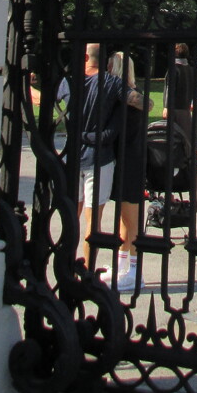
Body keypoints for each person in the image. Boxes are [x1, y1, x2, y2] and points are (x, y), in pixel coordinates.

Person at [76, 43, 125, 273]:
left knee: (70, 217)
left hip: (73, 156)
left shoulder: (71, 81)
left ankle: (65, 266)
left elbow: (42, 98)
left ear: (85, 56)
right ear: (107, 61)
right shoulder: (112, 83)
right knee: (92, 222)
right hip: (99, 158)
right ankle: (88, 271)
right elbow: (139, 101)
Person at [108, 49, 143, 294]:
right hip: (126, 158)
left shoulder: (128, 98)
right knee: (123, 218)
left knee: (131, 219)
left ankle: (134, 271)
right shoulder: (130, 96)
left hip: (129, 160)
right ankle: (122, 266)